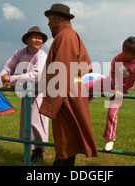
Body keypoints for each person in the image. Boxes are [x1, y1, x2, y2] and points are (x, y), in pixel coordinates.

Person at [39, 3, 98, 166]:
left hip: (66, 95)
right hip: (68, 93)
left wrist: (51, 105)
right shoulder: (67, 35)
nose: (48, 24)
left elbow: (62, 72)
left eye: (49, 20)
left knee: (66, 143)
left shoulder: (65, 36)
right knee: (67, 143)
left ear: (58, 19)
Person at [0, 26, 49, 164]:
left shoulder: (41, 56)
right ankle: (31, 152)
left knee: (37, 123)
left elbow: (37, 76)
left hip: (38, 94)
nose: (38, 40)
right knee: (27, 124)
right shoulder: (19, 53)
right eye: (35, 37)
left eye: (40, 38)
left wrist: (12, 79)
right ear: (27, 39)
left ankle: (39, 154)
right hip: (26, 93)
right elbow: (8, 68)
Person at [86, 36, 135, 151]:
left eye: (126, 52)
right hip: (110, 83)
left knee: (111, 113)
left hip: (122, 91)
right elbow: (112, 73)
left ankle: (109, 139)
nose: (123, 54)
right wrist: (116, 88)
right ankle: (85, 99)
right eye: (123, 50)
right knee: (86, 86)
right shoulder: (118, 57)